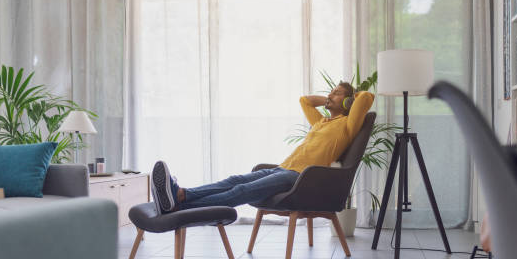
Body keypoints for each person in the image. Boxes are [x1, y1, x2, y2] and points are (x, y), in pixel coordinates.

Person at [150, 82, 375, 214]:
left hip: (299, 177)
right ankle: (181, 195)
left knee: (239, 192)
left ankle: (180, 208)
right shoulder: (321, 122)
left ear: (348, 103)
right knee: (233, 181)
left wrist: (351, 99)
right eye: (331, 91)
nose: (330, 95)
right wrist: (330, 98)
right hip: (281, 169)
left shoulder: (347, 126)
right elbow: (304, 101)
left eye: (337, 93)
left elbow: (366, 96)